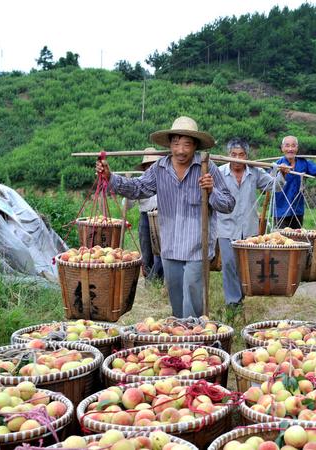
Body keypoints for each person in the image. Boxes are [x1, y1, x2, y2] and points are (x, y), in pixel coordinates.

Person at [96, 116, 235, 318]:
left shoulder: (207, 167)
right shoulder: (160, 168)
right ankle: (180, 337)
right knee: (177, 301)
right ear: (169, 144)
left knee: (193, 300)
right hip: (170, 245)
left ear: (195, 146)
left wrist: (211, 191)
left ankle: (193, 338)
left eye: (187, 144)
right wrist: (110, 178)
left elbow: (228, 204)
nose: (180, 150)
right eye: (176, 143)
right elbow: (138, 188)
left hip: (198, 246)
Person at [216, 138, 289, 308]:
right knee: (228, 264)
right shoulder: (219, 173)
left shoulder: (254, 172)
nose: (237, 159)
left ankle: (240, 294)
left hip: (248, 227)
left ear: (246, 156)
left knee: (244, 265)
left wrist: (281, 174)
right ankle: (233, 302)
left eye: (241, 155)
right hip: (226, 226)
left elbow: (274, 186)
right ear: (228, 155)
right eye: (233, 155)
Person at [125, 151, 163, 281]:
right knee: (147, 250)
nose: (150, 167)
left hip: (163, 217)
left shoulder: (165, 179)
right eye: (148, 165)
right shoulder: (140, 181)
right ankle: (149, 278)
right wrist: (128, 187)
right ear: (144, 168)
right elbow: (127, 205)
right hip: (146, 217)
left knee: (161, 250)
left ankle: (159, 279)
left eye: (153, 164)